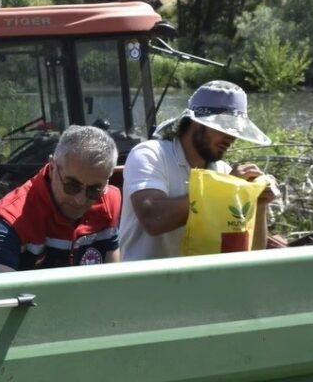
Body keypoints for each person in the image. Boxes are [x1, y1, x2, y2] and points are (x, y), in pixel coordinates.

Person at [118, 81, 277, 261]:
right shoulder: (151, 154)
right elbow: (154, 219)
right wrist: (224, 189)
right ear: (196, 122)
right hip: (143, 283)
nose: (231, 138)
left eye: (235, 130)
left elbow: (253, 250)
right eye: (223, 128)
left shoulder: (222, 172)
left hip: (197, 284)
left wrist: (260, 204)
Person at [0, 125, 121, 272]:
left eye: (94, 190)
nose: (80, 200)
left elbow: (112, 282)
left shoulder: (110, 200)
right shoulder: (9, 221)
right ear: (52, 168)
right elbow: (0, 293)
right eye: (72, 185)